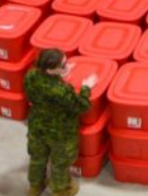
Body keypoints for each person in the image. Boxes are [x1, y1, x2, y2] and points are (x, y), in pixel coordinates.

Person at [25, 49, 96, 196]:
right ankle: (61, 190)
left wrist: (61, 73)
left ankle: (35, 187)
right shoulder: (60, 91)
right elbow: (82, 106)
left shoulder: (31, 75)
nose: (67, 66)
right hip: (60, 132)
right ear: (51, 70)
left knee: (37, 158)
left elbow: (41, 91)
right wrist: (86, 88)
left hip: (37, 127)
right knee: (60, 164)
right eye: (63, 65)